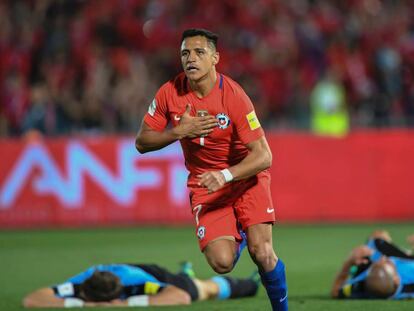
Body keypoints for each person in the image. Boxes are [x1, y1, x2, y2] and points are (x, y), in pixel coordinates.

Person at [135, 28, 288, 310]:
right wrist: (178, 131)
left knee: (263, 253)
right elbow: (142, 142)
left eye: (199, 52)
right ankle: (241, 229)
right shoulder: (170, 93)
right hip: (205, 183)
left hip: (245, 177)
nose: (190, 59)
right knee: (222, 263)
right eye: (185, 53)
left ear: (215, 58)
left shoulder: (233, 96)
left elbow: (264, 156)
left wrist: (226, 175)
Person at [23, 262, 260, 308]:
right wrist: (79, 305)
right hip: (123, 271)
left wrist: (125, 305)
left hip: (153, 274)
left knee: (203, 290)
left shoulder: (136, 285)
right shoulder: (81, 284)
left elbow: (179, 297)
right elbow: (33, 299)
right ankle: (185, 270)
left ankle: (250, 283)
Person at [331, 230, 414, 299]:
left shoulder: (361, 286)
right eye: (388, 263)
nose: (383, 258)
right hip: (407, 259)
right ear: (397, 280)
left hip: (374, 256)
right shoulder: (410, 286)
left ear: (368, 274)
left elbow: (335, 292)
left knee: (377, 236)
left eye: (376, 265)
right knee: (379, 238)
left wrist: (349, 261)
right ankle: (406, 252)